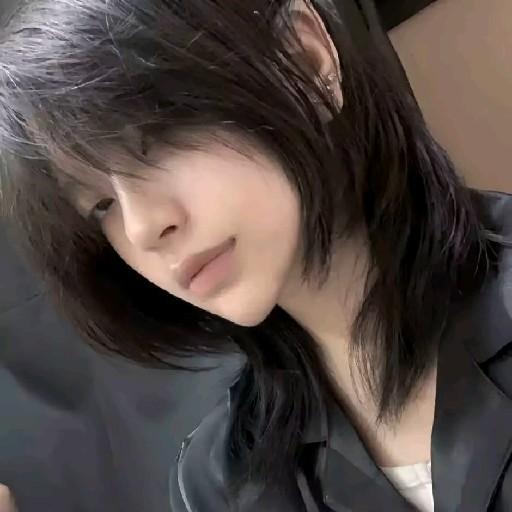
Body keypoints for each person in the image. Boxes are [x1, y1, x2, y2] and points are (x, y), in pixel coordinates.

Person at [0, 0, 511, 511]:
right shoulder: (219, 482)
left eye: (158, 138)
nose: (142, 228)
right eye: (101, 205)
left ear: (305, 60)